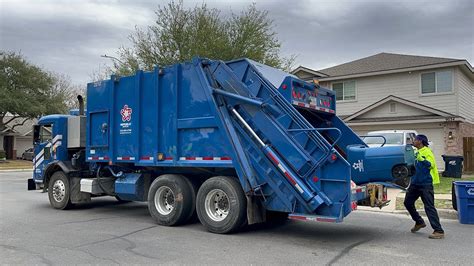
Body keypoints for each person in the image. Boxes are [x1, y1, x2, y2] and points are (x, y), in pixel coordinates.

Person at [404, 134, 444, 239]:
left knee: (429, 207)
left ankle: (439, 231)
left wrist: (422, 159)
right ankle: (419, 222)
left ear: (420, 141)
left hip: (425, 184)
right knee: (407, 203)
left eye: (415, 140)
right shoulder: (415, 152)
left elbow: (431, 165)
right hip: (415, 183)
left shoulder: (427, 151)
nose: (413, 141)